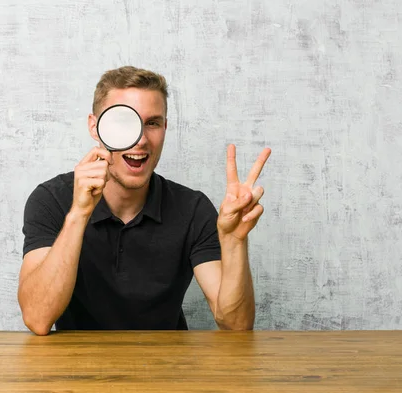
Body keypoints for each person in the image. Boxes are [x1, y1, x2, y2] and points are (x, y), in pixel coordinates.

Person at [18, 66, 271, 335]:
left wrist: (234, 243)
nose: (139, 140)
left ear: (165, 126)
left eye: (152, 123)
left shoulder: (192, 209)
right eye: (123, 123)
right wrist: (79, 214)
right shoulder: (50, 200)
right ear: (95, 126)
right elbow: (37, 318)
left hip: (167, 369)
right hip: (74, 369)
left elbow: (236, 325)